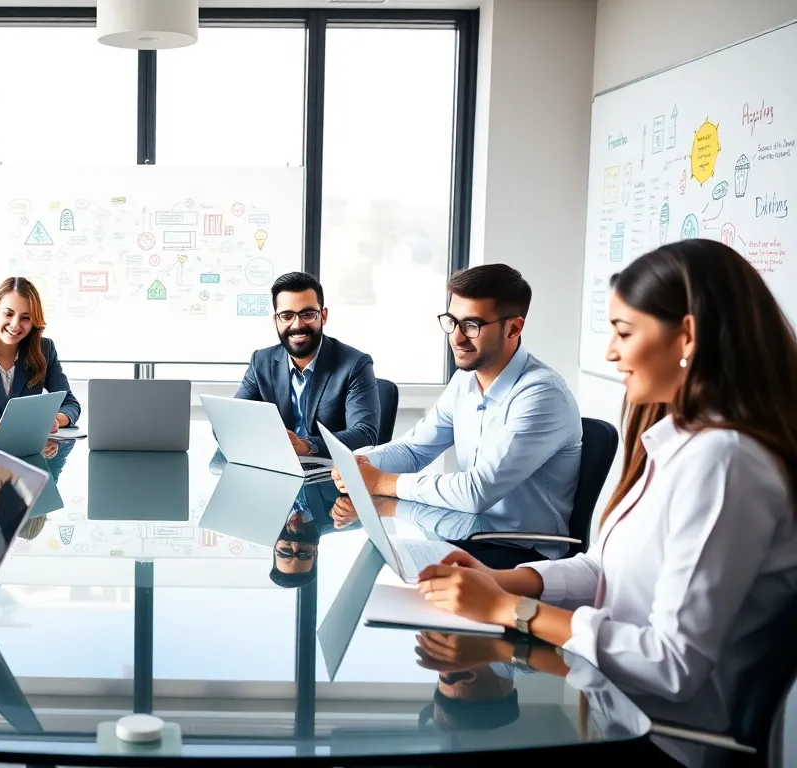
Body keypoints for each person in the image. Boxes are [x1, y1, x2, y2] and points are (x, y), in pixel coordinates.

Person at [414, 240, 797, 763]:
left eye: (624, 332)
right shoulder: (680, 442)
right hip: (612, 710)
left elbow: (671, 664)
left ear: (687, 336)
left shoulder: (724, 462)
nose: (610, 354)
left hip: (665, 743)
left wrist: (510, 610)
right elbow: (604, 568)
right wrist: (502, 580)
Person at [334, 264, 581, 564]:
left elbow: (477, 490)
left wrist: (379, 482)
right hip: (467, 534)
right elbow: (414, 450)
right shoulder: (465, 380)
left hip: (523, 555)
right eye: (452, 322)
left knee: (392, 570)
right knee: (378, 562)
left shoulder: (542, 394)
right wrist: (362, 463)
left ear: (514, 328)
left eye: (472, 325)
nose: (457, 338)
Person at [235, 271, 381, 455]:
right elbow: (230, 423)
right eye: (287, 316)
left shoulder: (354, 364)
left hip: (331, 469)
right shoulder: (261, 362)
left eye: (308, 314)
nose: (297, 325)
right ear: (275, 320)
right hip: (276, 465)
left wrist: (307, 446)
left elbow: (365, 434)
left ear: (323, 316)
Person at [0, 276, 80, 430]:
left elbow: (69, 403)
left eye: (25, 318)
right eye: (8, 314)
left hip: (26, 442)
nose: (15, 325)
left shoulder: (44, 349)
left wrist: (54, 420)